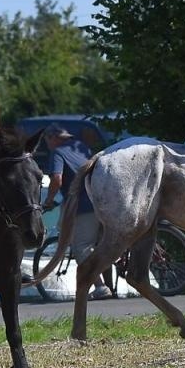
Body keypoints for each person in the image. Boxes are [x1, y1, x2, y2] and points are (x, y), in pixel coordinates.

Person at [40, 126, 115, 299]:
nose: (48, 145)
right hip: (100, 201)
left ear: (53, 138)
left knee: (81, 246)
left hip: (83, 205)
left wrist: (49, 200)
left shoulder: (58, 152)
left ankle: (101, 286)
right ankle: (111, 287)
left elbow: (57, 179)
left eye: (47, 141)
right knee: (100, 246)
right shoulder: (81, 147)